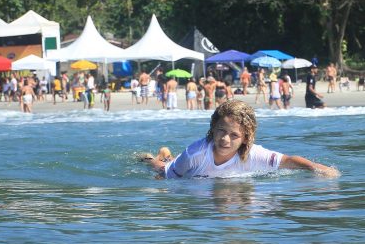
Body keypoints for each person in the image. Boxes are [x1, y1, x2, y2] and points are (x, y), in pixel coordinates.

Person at [141, 100, 339, 178]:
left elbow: (287, 161)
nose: (225, 139)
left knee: (169, 160)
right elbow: (166, 179)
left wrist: (316, 168)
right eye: (220, 131)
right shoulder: (196, 153)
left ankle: (166, 154)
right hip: (180, 167)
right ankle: (150, 157)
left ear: (246, 138)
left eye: (234, 135)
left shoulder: (253, 154)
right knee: (161, 166)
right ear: (213, 129)